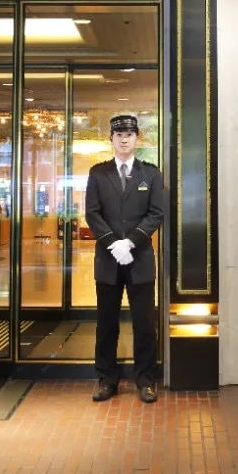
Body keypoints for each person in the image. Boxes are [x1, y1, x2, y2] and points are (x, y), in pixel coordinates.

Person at [85, 114, 164, 403]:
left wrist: (130, 242)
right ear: (111, 139)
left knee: (144, 324)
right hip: (108, 261)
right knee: (106, 323)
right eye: (119, 135)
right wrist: (113, 244)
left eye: (129, 134)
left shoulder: (150, 174)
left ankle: (145, 380)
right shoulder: (98, 173)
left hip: (139, 258)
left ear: (137, 138)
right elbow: (92, 213)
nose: (124, 139)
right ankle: (106, 379)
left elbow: (156, 213)